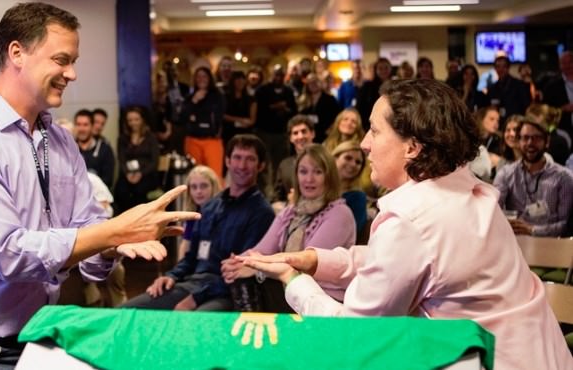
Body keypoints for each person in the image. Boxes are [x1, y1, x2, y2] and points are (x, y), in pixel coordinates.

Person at [0, 4, 199, 368]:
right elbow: (10, 255)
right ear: (17, 52)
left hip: (37, 336)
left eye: (73, 61)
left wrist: (113, 246)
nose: (72, 73)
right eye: (62, 60)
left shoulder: (59, 142)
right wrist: (114, 231)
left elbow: (91, 247)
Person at [241, 79, 572, 370]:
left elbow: (357, 336)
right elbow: (408, 262)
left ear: (412, 147)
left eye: (374, 130)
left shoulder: (409, 219)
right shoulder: (467, 187)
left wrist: (293, 281)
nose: (365, 143)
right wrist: (317, 261)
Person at [122, 134, 274, 311]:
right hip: (193, 283)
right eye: (237, 158)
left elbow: (240, 272)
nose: (241, 165)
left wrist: (196, 298)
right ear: (227, 161)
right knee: (127, 312)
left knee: (191, 324)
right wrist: (171, 276)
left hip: (228, 291)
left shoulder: (262, 213)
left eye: (250, 159)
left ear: (260, 166)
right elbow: (191, 257)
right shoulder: (210, 207)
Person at [221, 144, 355, 310]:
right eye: (303, 171)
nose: (309, 179)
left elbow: (304, 263)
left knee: (248, 278)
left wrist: (256, 269)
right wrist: (237, 263)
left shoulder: (340, 213)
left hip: (324, 299)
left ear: (329, 177)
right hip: (290, 289)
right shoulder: (291, 211)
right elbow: (262, 249)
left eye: (317, 172)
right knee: (240, 277)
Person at [494, 116, 573, 237]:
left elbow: (565, 224)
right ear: (519, 141)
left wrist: (532, 230)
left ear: (547, 142)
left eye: (536, 138)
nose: (530, 143)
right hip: (516, 244)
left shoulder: (564, 177)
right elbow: (493, 213)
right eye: (525, 138)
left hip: (551, 246)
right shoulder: (506, 174)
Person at [180, 66, 226, 178]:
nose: (201, 79)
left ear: (210, 78)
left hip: (212, 140)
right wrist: (194, 101)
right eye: (198, 77)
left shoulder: (218, 96)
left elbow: (219, 116)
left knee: (215, 176)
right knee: (195, 176)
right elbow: (182, 118)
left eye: (204, 76)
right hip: (193, 140)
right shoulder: (189, 98)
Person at [114, 106, 161, 214]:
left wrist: (141, 174)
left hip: (147, 174)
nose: (133, 123)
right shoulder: (122, 139)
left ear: (142, 120)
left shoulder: (151, 138)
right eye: (130, 120)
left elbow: (154, 162)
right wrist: (128, 174)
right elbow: (121, 160)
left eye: (136, 119)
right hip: (128, 174)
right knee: (121, 190)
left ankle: (140, 219)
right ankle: (125, 221)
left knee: (139, 190)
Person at [177, 165, 222, 261]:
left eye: (204, 186)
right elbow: (185, 245)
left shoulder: (223, 214)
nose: (199, 191)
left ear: (213, 187)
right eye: (194, 187)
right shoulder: (191, 216)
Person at [272, 115, 315, 206]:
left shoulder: (325, 161)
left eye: (304, 131)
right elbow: (277, 197)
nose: (300, 136)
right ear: (291, 138)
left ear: (312, 134)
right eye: (295, 133)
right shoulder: (284, 165)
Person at [331, 140, 368, 234]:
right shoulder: (316, 188)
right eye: (348, 158)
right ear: (335, 158)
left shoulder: (358, 198)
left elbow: (350, 232)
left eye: (358, 162)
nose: (353, 164)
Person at [74, 108, 115, 187]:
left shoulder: (105, 149)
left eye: (85, 125)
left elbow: (108, 180)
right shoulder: (68, 149)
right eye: (78, 124)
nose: (81, 129)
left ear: (92, 126)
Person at [297, 73, 342, 143]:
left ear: (320, 83)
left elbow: (338, 117)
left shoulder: (330, 99)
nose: (313, 84)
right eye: (310, 82)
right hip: (306, 136)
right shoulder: (303, 101)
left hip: (324, 137)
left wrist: (331, 129)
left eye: (315, 81)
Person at [542, 50, 573, 139]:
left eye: (570, 62)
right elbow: (546, 111)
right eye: (564, 63)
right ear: (560, 65)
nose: (568, 66)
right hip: (563, 131)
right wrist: (562, 109)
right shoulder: (551, 86)